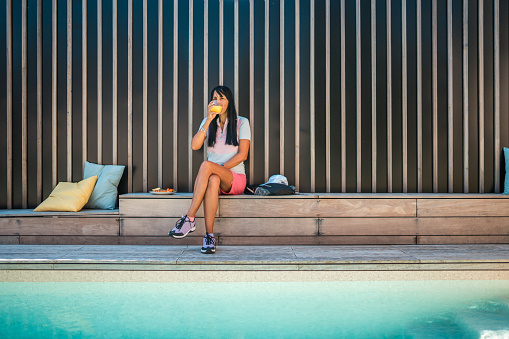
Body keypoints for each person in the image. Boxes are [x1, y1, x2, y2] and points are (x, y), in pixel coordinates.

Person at [169, 86, 251, 254]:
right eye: (215, 98)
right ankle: (209, 237)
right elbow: (194, 145)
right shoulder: (208, 123)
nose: (218, 101)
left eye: (222, 98)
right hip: (215, 178)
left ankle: (189, 218)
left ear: (229, 102)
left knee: (207, 166)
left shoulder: (242, 122)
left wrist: (218, 168)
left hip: (235, 179)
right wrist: (208, 120)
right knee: (212, 179)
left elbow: (243, 155)